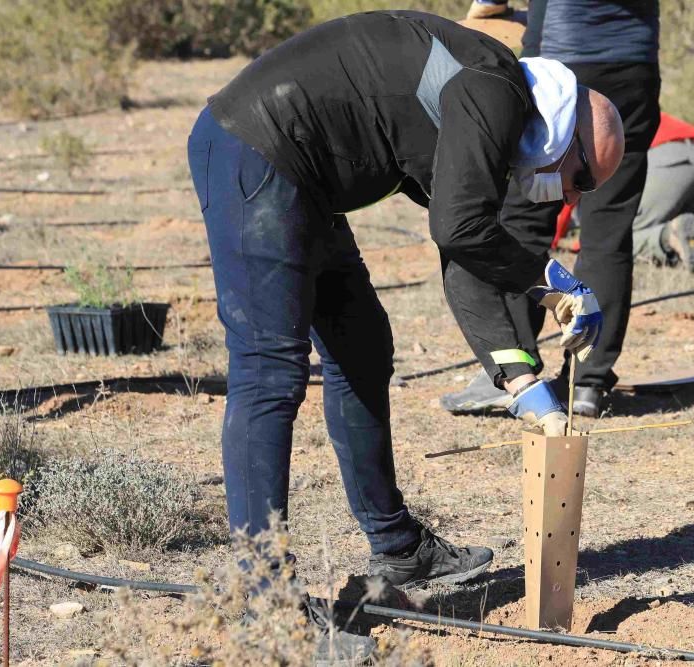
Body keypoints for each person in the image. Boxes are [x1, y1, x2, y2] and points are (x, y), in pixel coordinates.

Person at [186, 10, 624, 661]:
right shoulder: (495, 88)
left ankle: (399, 548)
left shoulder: (498, 112)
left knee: (361, 345)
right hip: (259, 151)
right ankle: (262, 607)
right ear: (569, 135)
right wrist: (549, 276)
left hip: (300, 175)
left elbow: (467, 251)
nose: (574, 192)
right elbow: (458, 229)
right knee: (269, 372)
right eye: (583, 176)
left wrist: (520, 377)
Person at [444, 0, 660, 418]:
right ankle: (590, 383)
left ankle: (514, 367)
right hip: (635, 66)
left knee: (524, 219)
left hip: (562, 70)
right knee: (609, 231)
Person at [632, 112, 694, 271]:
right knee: (686, 222)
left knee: (617, 240)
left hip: (665, 162)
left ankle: (668, 236)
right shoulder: (637, 106)